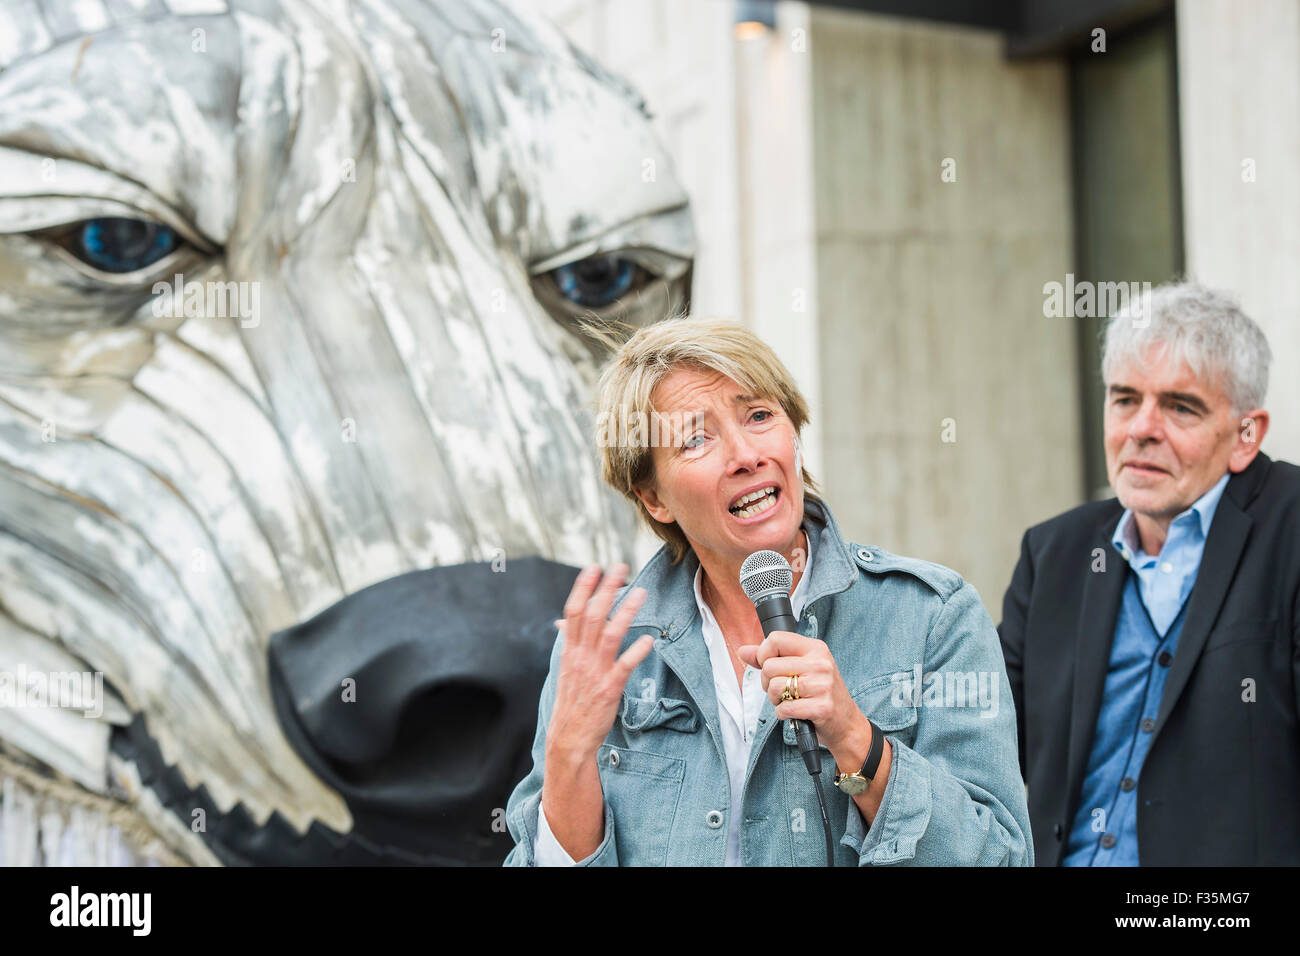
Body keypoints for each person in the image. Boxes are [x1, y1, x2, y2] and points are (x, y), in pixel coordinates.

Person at [503, 316, 1032, 866]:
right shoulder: (602, 653)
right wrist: (567, 761)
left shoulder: (933, 617)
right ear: (654, 498)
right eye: (695, 439)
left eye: (758, 415)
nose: (746, 455)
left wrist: (856, 739)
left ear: (794, 437)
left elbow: (1003, 856)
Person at [999, 281, 1300, 865]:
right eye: (1125, 399)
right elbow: (978, 747)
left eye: (1180, 406)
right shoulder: (1055, 553)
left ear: (1246, 436)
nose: (1142, 427)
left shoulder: (1292, 532)